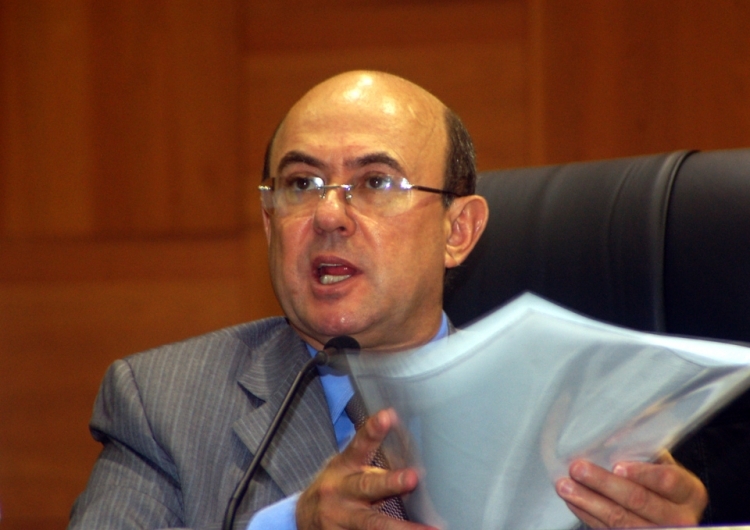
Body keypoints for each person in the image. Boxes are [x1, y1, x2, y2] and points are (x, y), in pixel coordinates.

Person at [69, 71, 707, 530]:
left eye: (375, 182)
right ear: (270, 223)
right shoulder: (161, 403)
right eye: (301, 184)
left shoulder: (571, 420)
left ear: (458, 231)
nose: (328, 215)